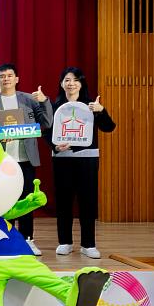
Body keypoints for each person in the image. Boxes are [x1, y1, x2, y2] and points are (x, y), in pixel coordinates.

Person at [0, 63, 53, 256]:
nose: (6, 79)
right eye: (2, 76)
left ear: (17, 79)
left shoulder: (29, 99)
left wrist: (44, 101)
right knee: (3, 201)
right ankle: (6, 239)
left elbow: (47, 122)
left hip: (25, 159)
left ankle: (28, 239)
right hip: (2, 161)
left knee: (26, 200)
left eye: (10, 75)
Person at [48, 67, 116, 259]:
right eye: (67, 80)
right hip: (62, 160)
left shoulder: (91, 105)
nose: (71, 84)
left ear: (81, 83)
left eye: (75, 80)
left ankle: (88, 244)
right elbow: (46, 132)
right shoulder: (55, 106)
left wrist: (101, 111)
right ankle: (65, 242)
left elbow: (109, 127)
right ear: (61, 84)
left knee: (88, 202)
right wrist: (55, 146)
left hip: (87, 159)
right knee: (63, 202)